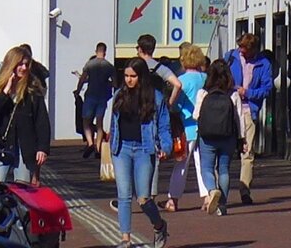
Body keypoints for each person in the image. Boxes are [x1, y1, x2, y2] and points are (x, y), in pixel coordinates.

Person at [103, 60, 172, 248]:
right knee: (124, 195)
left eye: (133, 76)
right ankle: (125, 239)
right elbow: (113, 124)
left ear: (141, 76)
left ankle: (159, 226)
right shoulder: (119, 94)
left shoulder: (156, 97)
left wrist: (165, 147)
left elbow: (164, 126)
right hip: (122, 149)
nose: (129, 80)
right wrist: (110, 144)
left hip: (145, 149)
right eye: (126, 76)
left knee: (143, 199)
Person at [0, 45, 52, 185]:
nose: (24, 68)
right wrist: (6, 91)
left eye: (26, 64)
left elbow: (42, 121)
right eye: (20, 64)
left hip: (25, 146)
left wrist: (42, 148)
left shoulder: (33, 91)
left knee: (22, 186)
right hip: (3, 146)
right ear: (11, 65)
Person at [161, 44, 208, 210]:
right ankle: (207, 196)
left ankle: (173, 199)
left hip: (186, 126)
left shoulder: (181, 80)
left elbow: (176, 106)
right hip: (205, 126)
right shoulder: (205, 78)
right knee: (204, 164)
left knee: (181, 163)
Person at [231, 32, 274, 207]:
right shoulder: (231, 57)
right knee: (223, 151)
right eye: (240, 47)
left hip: (249, 110)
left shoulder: (264, 64)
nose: (241, 51)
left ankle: (245, 189)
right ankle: (218, 189)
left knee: (247, 152)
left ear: (253, 49)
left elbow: (267, 88)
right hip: (230, 108)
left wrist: (248, 93)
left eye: (245, 49)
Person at [193, 59, 241, 216]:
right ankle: (222, 205)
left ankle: (212, 190)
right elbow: (238, 118)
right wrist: (241, 139)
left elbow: (196, 115)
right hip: (228, 136)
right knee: (224, 169)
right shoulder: (233, 94)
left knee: (207, 168)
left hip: (207, 136)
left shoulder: (203, 93)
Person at [77, 44, 117, 159]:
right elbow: (115, 84)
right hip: (102, 97)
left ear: (96, 51)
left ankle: (90, 143)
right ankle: (98, 148)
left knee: (86, 121)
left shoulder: (90, 64)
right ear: (105, 52)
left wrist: (78, 91)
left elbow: (82, 79)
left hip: (90, 95)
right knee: (99, 123)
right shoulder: (109, 66)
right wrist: (107, 83)